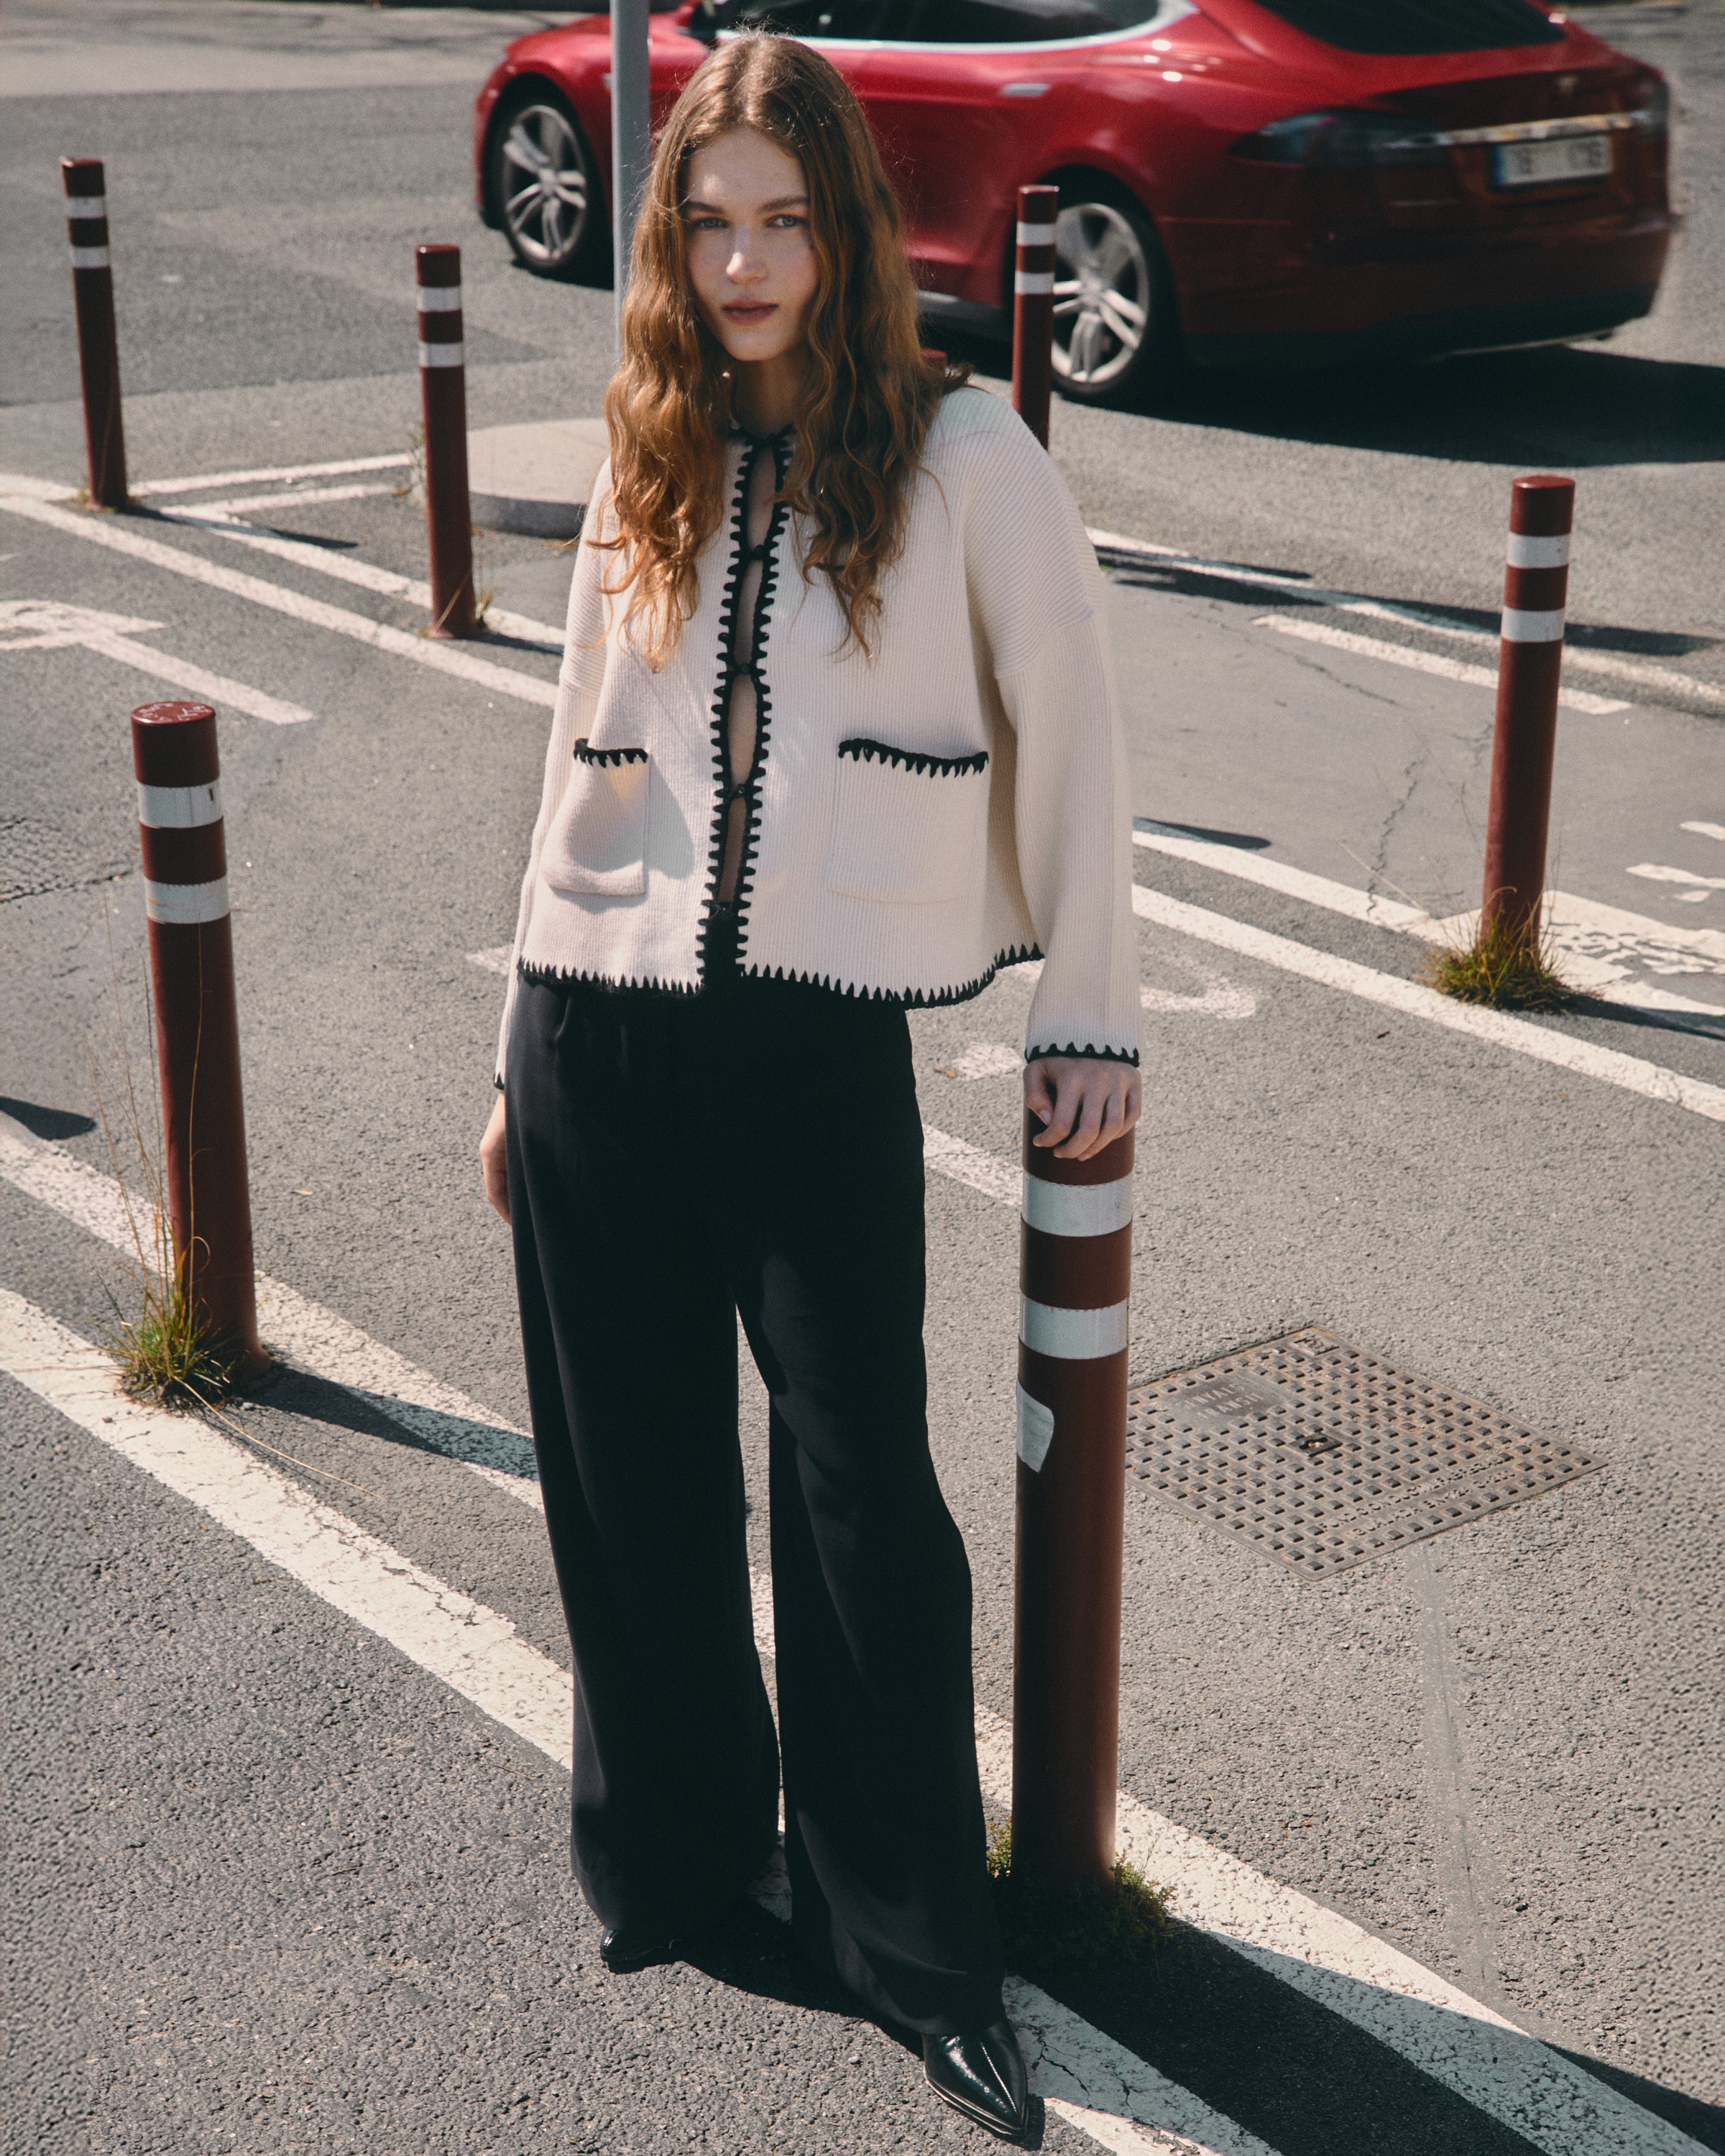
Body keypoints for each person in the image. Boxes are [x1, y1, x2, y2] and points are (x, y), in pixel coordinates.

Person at [478, 31, 1139, 2142]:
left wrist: (1091, 1014)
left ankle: (914, 1944)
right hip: (598, 1031)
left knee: (864, 1506)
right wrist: (511, 1053)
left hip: (814, 1049)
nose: (746, 262)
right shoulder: (651, 438)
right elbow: (576, 745)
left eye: (784, 220)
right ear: (671, 240)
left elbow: (1080, 730)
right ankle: (681, 1856)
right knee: (629, 1483)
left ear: (848, 230)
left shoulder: (967, 455)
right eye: (710, 222)